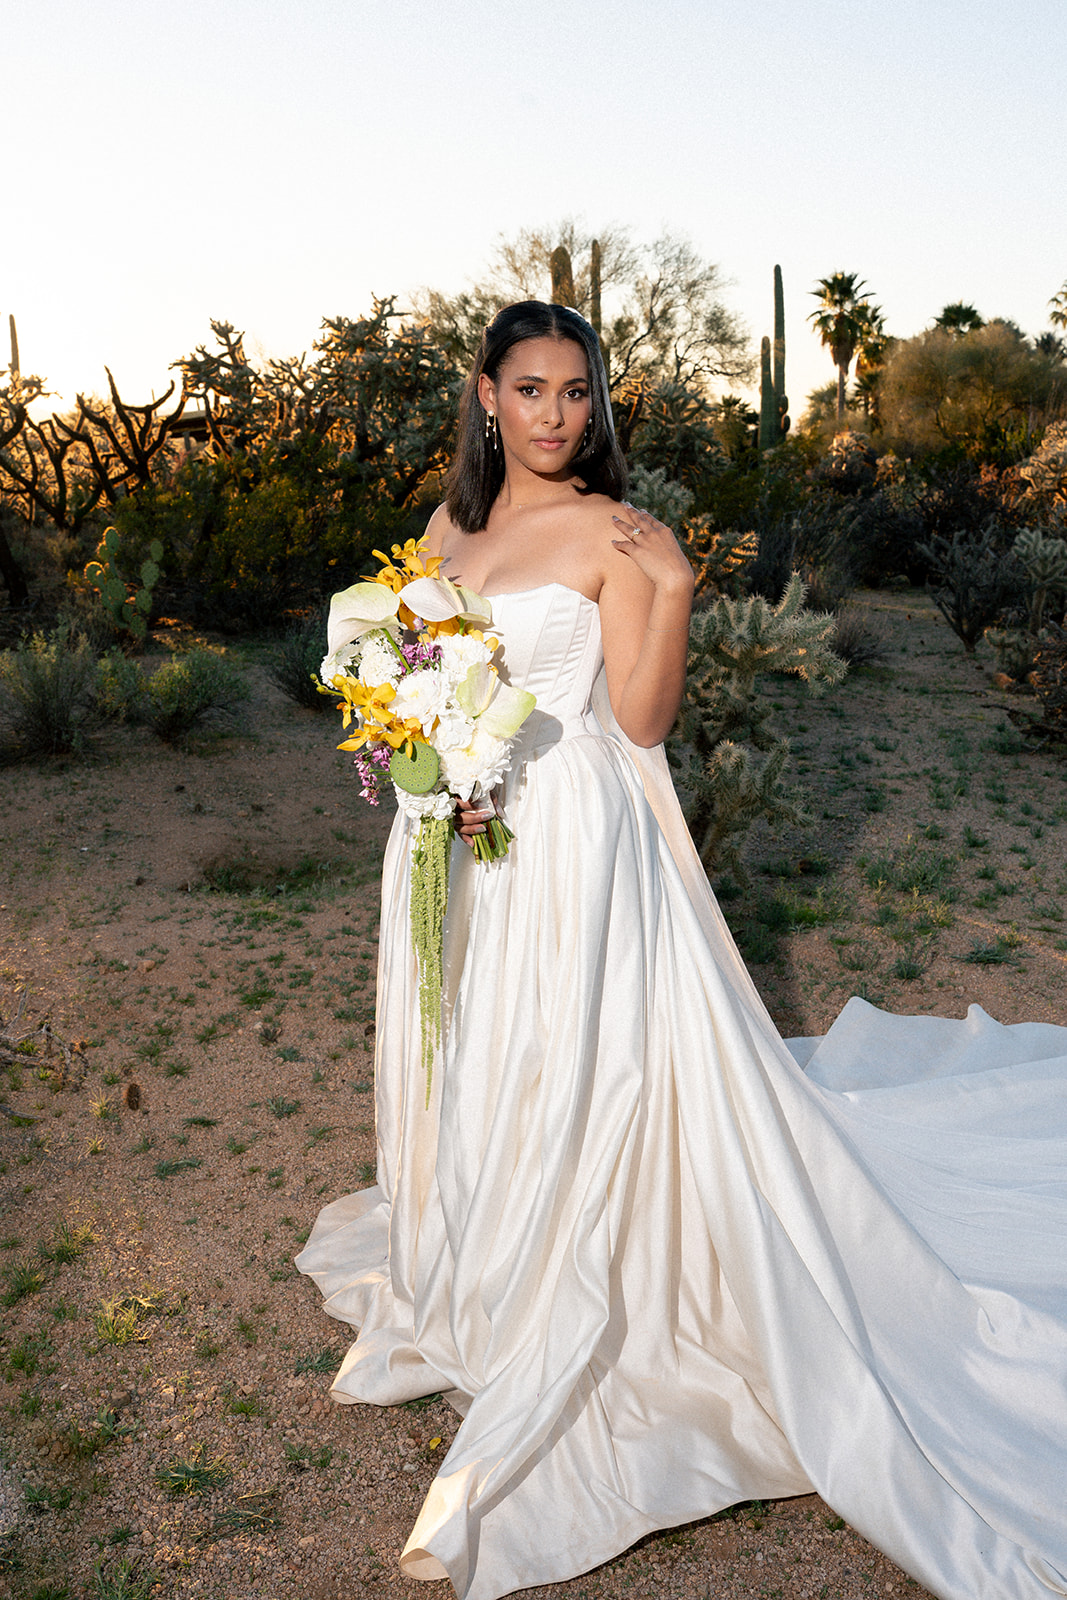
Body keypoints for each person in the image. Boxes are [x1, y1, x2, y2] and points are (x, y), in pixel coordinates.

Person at [297, 302, 1067, 1600]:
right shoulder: (445, 529)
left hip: (573, 831)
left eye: (578, 392)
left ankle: (569, 1269)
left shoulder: (616, 533)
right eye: (532, 390)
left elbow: (642, 720)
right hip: (453, 828)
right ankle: (481, 1236)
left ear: (598, 404)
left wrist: (673, 587)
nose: (557, 414)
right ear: (486, 396)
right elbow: (408, 665)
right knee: (478, 1041)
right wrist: (403, 725)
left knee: (579, 1054)